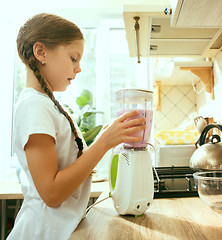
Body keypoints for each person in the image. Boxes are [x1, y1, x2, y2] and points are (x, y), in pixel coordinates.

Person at [7, 13, 146, 240]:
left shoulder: (46, 105)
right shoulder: (35, 106)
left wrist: (104, 137)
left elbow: (67, 169)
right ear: (40, 52)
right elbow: (52, 193)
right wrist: (103, 143)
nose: (79, 68)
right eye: (74, 58)